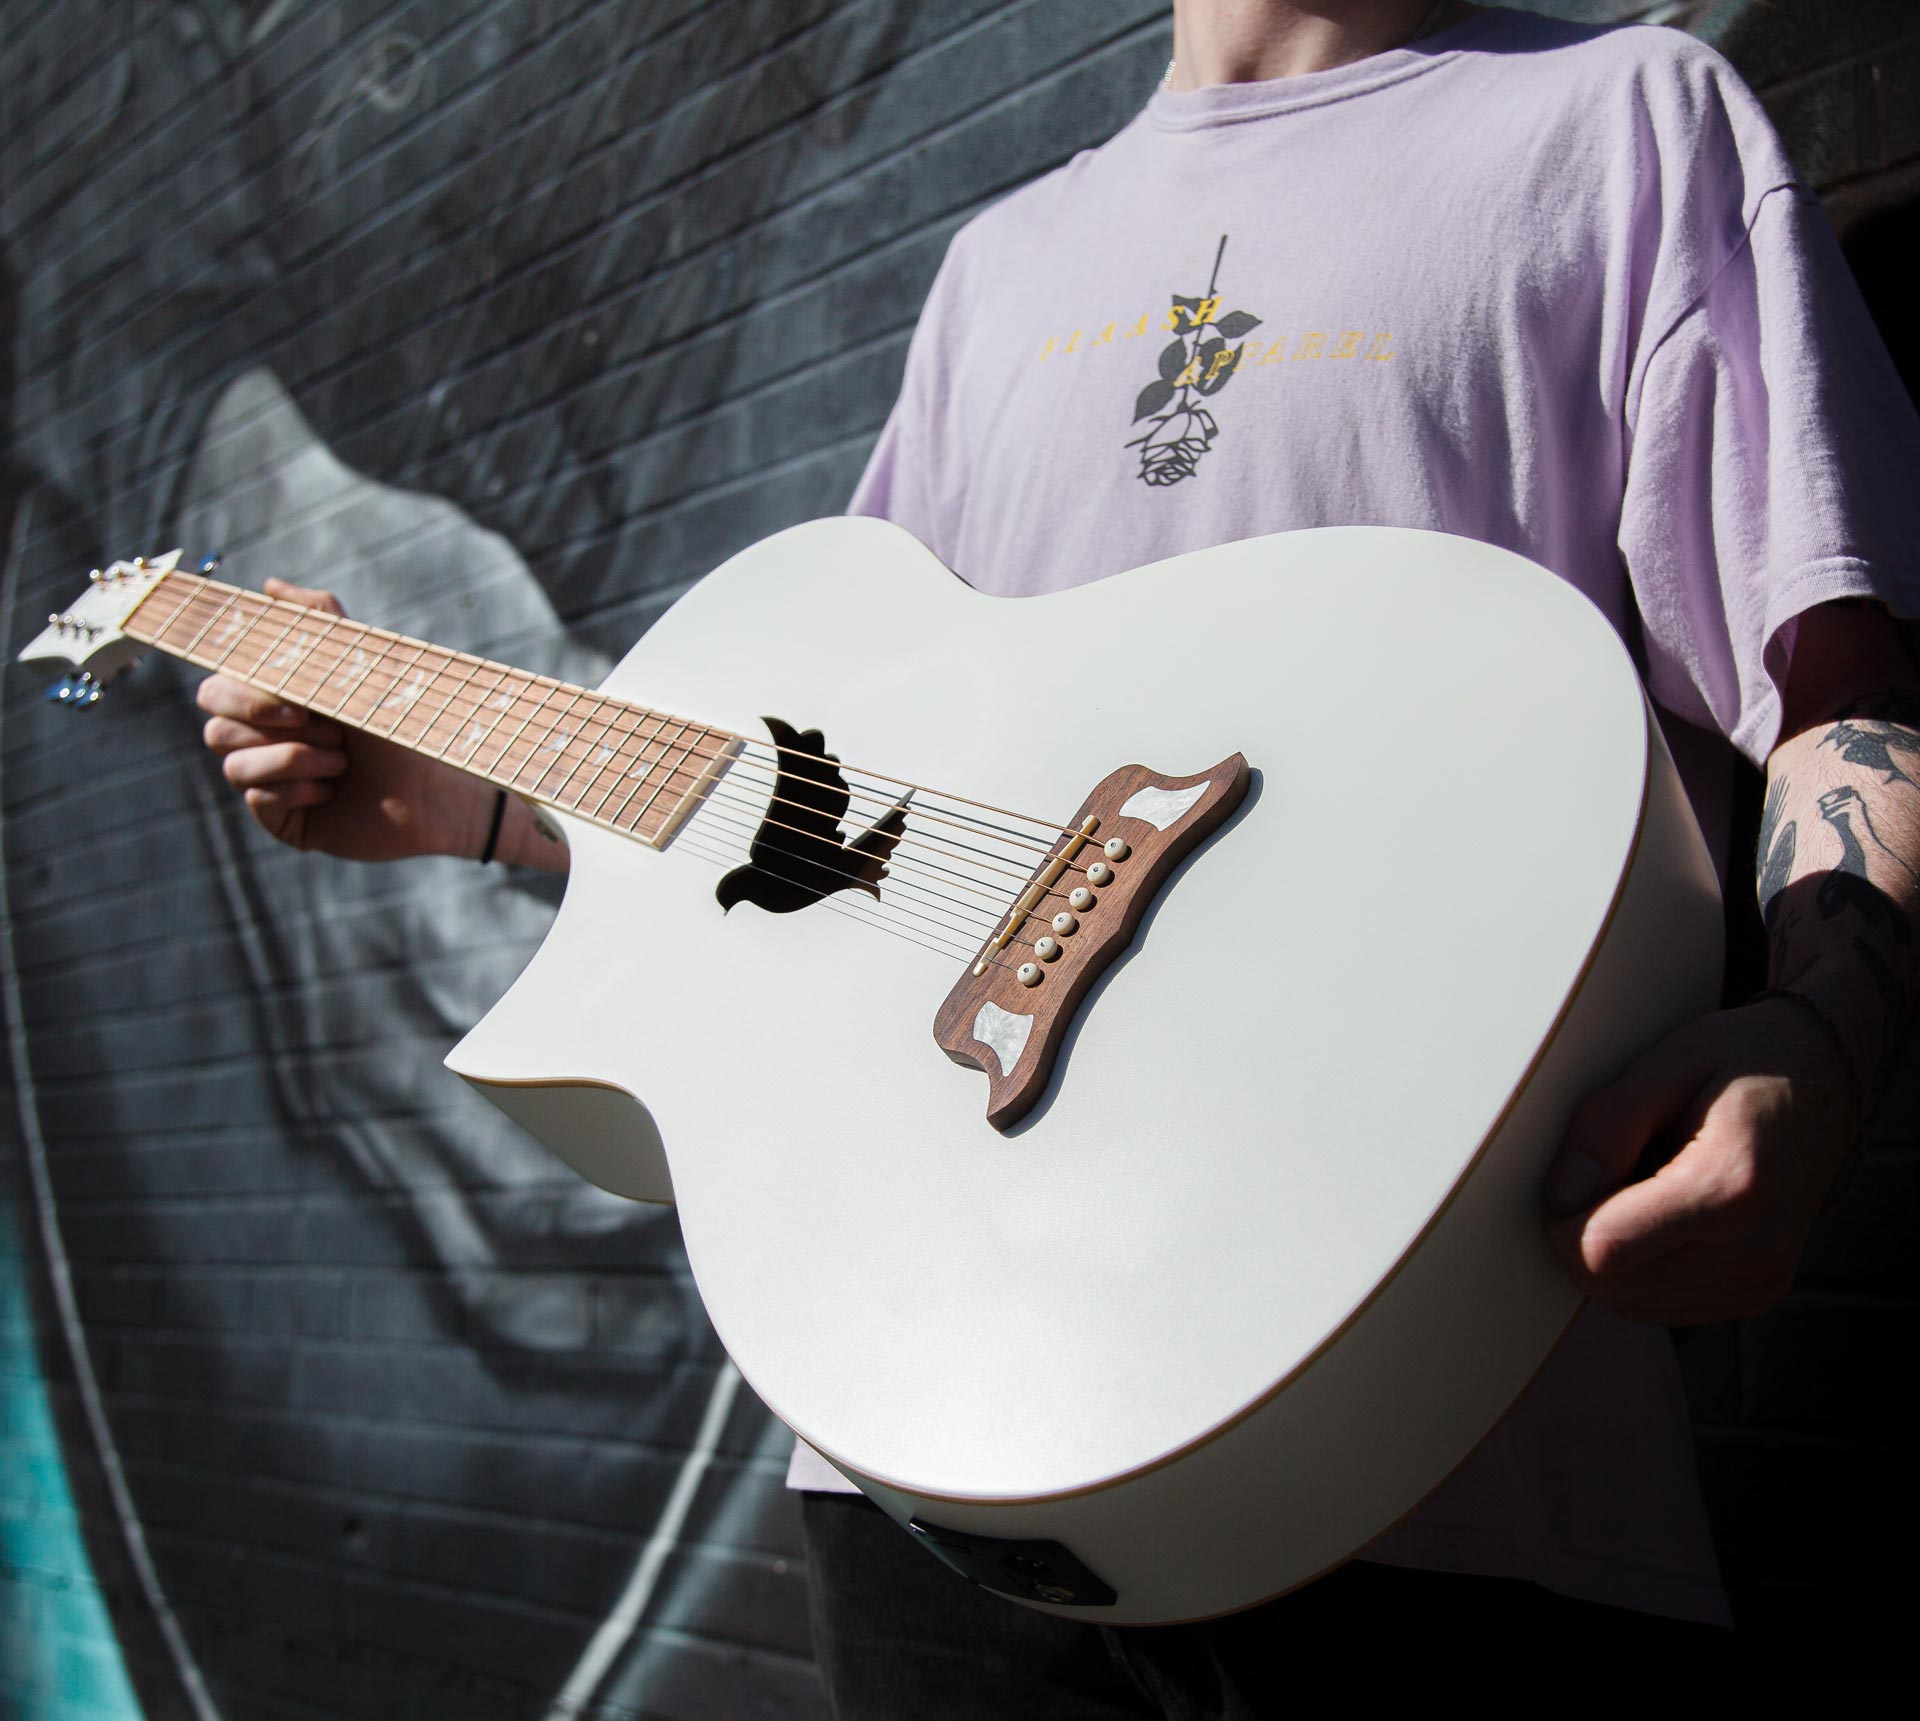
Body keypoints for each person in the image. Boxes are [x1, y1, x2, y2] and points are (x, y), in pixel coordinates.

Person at [194, 1, 1920, 1710]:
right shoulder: (998, 269)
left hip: (1458, 1475)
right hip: (923, 1442)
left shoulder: (1622, 120)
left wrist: (1823, 1045)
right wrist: (465, 807)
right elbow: (847, 826)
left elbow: (1843, 675)